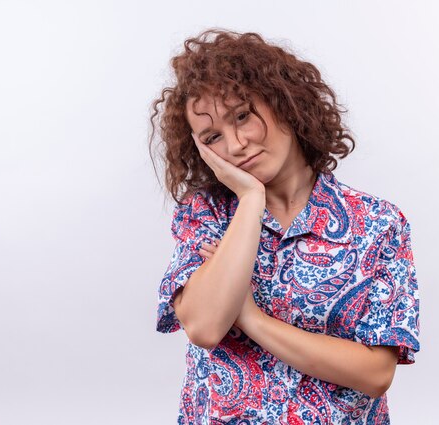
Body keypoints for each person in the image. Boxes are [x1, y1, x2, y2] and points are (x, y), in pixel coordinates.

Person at [149, 28, 420, 425]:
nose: (236, 145)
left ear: (285, 103)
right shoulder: (205, 215)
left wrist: (251, 318)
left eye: (243, 116)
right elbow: (205, 327)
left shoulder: (378, 223)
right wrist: (251, 200)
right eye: (213, 137)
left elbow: (376, 374)